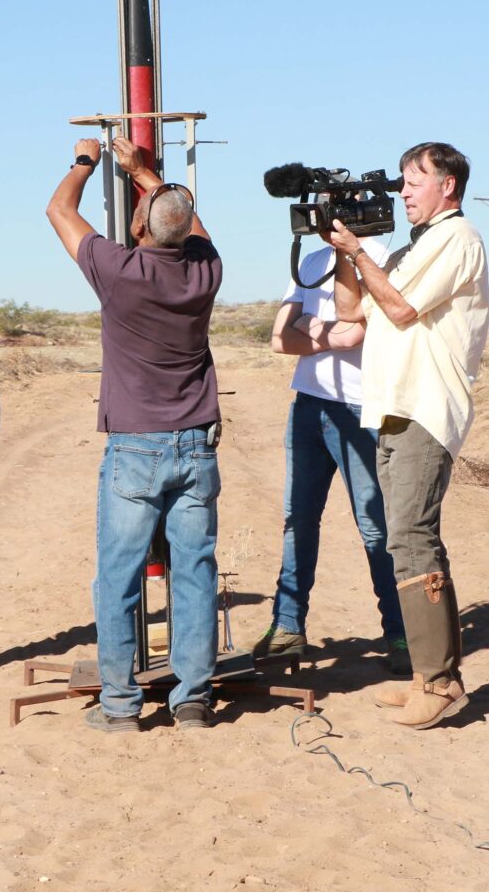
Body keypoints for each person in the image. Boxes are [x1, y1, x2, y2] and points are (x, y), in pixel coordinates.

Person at [46, 136, 222, 733]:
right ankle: (193, 699)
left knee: (119, 576)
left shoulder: (120, 272)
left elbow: (60, 212)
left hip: (135, 450)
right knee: (193, 572)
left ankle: (120, 707)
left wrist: (86, 160)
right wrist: (147, 173)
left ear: (139, 227)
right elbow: (186, 221)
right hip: (195, 445)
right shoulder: (204, 270)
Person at [326, 142, 489, 728]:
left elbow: (398, 311)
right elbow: (352, 311)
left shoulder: (459, 240)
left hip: (427, 407)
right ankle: (426, 673)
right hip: (394, 407)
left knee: (414, 539)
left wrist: (363, 258)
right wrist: (343, 253)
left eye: (413, 181)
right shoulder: (411, 247)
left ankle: (441, 683)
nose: (401, 192)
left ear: (447, 185)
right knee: (406, 541)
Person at [252, 238, 408, 673]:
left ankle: (400, 631)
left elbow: (355, 330)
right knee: (297, 520)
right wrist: (329, 334)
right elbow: (281, 339)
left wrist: (312, 326)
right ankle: (287, 628)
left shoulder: (381, 254)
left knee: (376, 526)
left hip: (362, 407)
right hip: (308, 403)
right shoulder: (310, 260)